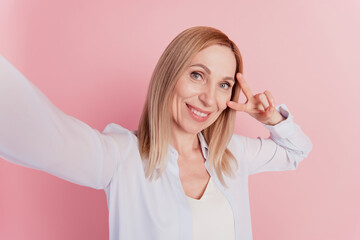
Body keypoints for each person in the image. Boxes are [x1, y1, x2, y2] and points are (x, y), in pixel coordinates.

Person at [0, 26, 313, 240]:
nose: (208, 97)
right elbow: (39, 133)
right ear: (169, 75)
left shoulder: (232, 154)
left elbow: (296, 151)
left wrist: (272, 118)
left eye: (223, 84)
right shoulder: (120, 156)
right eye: (196, 75)